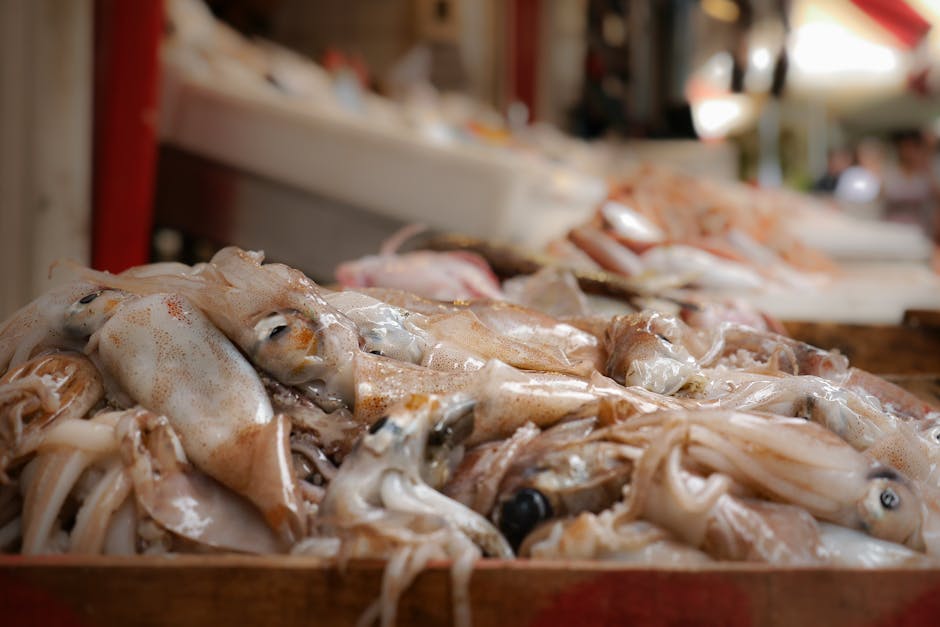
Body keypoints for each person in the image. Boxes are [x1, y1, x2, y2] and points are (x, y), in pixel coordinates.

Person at [882, 130, 940, 242]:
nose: (908, 151)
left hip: (920, 230)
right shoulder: (889, 172)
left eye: (912, 147)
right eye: (904, 147)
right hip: (892, 228)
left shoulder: (927, 172)